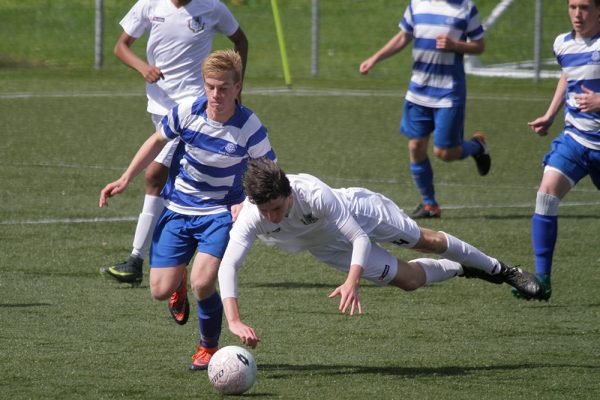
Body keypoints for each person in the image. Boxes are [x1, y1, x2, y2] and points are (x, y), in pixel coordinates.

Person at [217, 158, 540, 348]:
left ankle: (502, 270)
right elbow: (228, 266)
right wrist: (234, 320)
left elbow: (357, 237)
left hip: (361, 214)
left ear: (288, 193)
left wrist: (352, 282)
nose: (271, 217)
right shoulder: (252, 215)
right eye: (265, 211)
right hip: (326, 246)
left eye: (276, 208)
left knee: (425, 241)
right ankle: (461, 268)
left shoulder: (313, 193)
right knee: (410, 281)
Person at [99, 50, 276, 369]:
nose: (215, 95)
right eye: (210, 86)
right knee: (158, 290)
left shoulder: (249, 126)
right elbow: (156, 140)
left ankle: (208, 346)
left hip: (220, 214)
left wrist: (246, 202)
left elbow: (269, 171)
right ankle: (175, 279)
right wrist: (126, 177)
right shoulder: (188, 112)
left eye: (223, 88)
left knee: (203, 282)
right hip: (179, 208)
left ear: (238, 88)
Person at [101, 0, 248, 286]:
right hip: (159, 106)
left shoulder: (211, 7)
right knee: (177, 181)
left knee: (155, 175)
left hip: (192, 106)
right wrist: (144, 68)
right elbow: (121, 47)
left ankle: (137, 259)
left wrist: (237, 85)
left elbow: (240, 39)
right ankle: (180, 259)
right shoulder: (149, 5)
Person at [359, 0, 490, 219]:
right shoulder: (417, 5)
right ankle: (430, 204)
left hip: (449, 91)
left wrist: (456, 45)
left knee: (445, 153)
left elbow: (479, 45)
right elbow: (403, 36)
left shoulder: (466, 7)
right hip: (418, 90)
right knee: (415, 146)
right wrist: (375, 58)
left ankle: (477, 146)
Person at [514, 0, 600, 301]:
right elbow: (567, 76)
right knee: (546, 194)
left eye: (585, 7)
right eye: (573, 7)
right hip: (575, 140)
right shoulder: (562, 44)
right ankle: (541, 281)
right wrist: (550, 114)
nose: (578, 14)